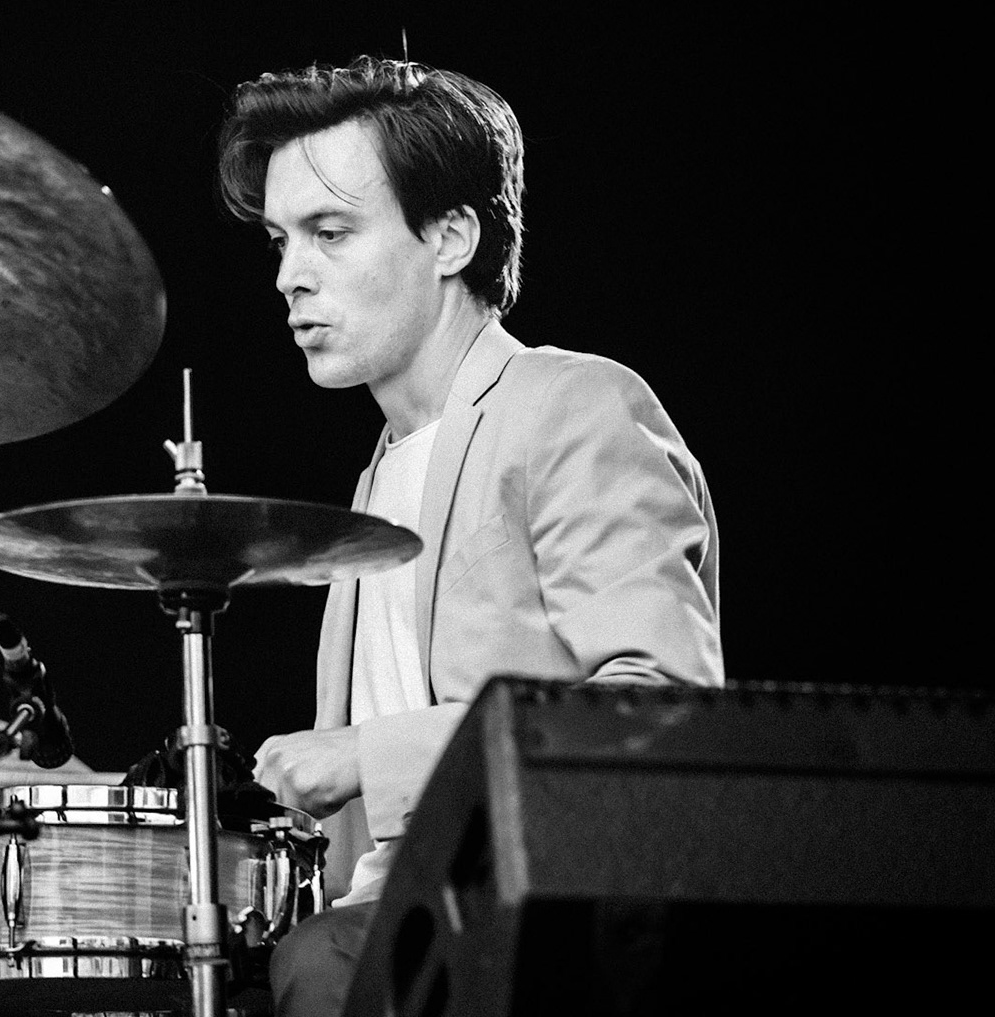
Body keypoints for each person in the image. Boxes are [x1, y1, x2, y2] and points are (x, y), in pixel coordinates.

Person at [224, 58, 724, 1017]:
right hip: (390, 929)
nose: (290, 275)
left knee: (317, 966)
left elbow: (662, 713)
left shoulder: (573, 405)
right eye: (281, 240)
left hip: (546, 936)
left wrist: (368, 754)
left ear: (451, 237)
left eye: (331, 232)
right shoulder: (376, 480)